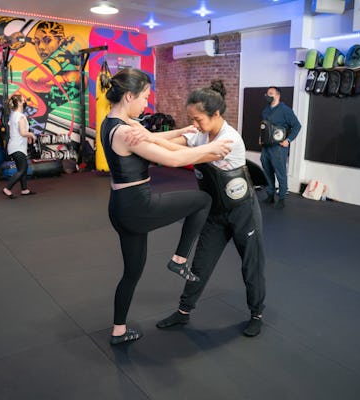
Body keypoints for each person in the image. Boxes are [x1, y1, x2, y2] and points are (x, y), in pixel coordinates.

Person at [101, 67, 233, 345]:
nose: (146, 103)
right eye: (145, 97)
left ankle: (118, 331)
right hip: (138, 206)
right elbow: (171, 160)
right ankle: (179, 259)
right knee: (203, 200)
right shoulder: (126, 132)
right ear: (128, 96)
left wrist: (184, 130)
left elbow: (154, 139)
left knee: (132, 272)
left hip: (120, 207)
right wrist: (210, 150)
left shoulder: (114, 122)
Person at [153, 80, 267, 337]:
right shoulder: (200, 133)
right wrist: (143, 136)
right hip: (215, 212)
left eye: (198, 119)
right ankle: (183, 312)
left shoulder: (229, 140)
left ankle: (256, 313)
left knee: (251, 264)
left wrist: (154, 142)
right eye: (190, 119)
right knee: (200, 265)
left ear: (216, 114)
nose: (194, 124)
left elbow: (184, 155)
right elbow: (172, 142)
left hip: (243, 211)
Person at [259, 86, 301, 209]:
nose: (268, 95)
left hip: (278, 147)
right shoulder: (265, 110)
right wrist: (260, 137)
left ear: (277, 95)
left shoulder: (285, 110)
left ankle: (281, 198)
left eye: (271, 93)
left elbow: (297, 126)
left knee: (280, 173)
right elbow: (263, 126)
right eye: (267, 93)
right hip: (266, 146)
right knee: (267, 171)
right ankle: (270, 195)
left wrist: (288, 140)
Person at [2, 94, 37, 199]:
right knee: (23, 169)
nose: (25, 100)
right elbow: (22, 132)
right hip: (17, 146)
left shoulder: (14, 115)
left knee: (23, 168)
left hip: (15, 146)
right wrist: (31, 135)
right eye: (23, 99)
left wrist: (28, 136)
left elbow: (19, 131)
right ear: (20, 103)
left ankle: (24, 189)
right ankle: (7, 188)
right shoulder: (20, 116)